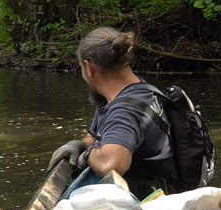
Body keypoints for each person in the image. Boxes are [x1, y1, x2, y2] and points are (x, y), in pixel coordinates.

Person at [48, 27, 179, 198]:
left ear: (88, 68)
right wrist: (80, 145)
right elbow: (99, 136)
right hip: (164, 185)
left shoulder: (125, 110)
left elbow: (113, 164)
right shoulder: (135, 90)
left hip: (152, 199)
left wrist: (88, 155)